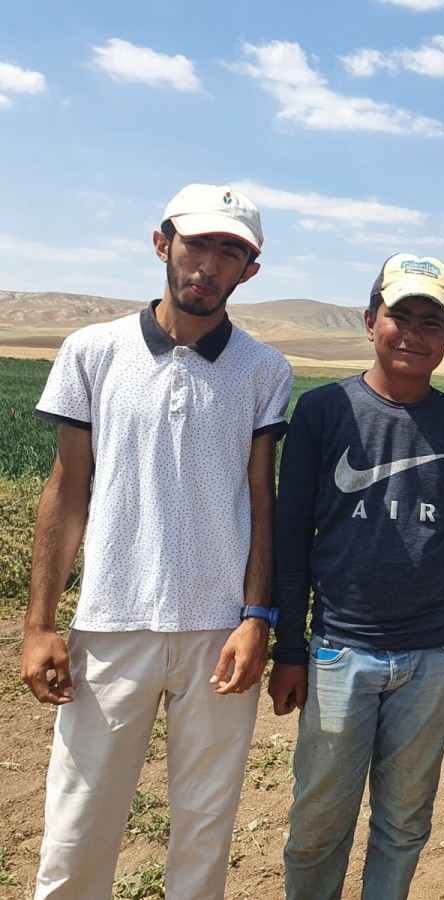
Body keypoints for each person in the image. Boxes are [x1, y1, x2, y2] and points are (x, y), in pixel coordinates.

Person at [21, 183, 293, 899]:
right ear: (162, 242)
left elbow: (262, 500)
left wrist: (256, 618)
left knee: (204, 831)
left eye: (229, 251)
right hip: (111, 622)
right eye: (197, 243)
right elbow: (65, 490)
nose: (208, 264)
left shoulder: (265, 370)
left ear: (249, 271)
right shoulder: (92, 350)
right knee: (77, 831)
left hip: (218, 633)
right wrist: (40, 623)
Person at [268, 253, 444, 899]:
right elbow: (292, 537)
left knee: (403, 822)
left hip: (438, 653)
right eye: (400, 316)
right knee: (316, 823)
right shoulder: (323, 411)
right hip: (342, 650)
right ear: (370, 322)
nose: (413, 334)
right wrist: (289, 649)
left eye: (432, 322)